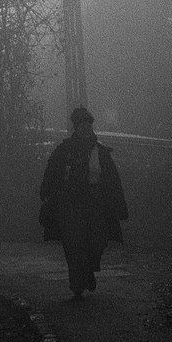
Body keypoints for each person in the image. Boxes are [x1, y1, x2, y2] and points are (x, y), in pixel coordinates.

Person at [39, 107, 128, 298]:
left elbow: (112, 179)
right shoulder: (65, 150)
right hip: (70, 204)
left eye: (88, 125)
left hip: (95, 203)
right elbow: (52, 172)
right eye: (82, 125)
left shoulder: (100, 151)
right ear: (76, 127)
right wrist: (47, 192)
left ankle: (86, 272)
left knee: (97, 241)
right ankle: (78, 283)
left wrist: (117, 203)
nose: (86, 128)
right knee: (74, 245)